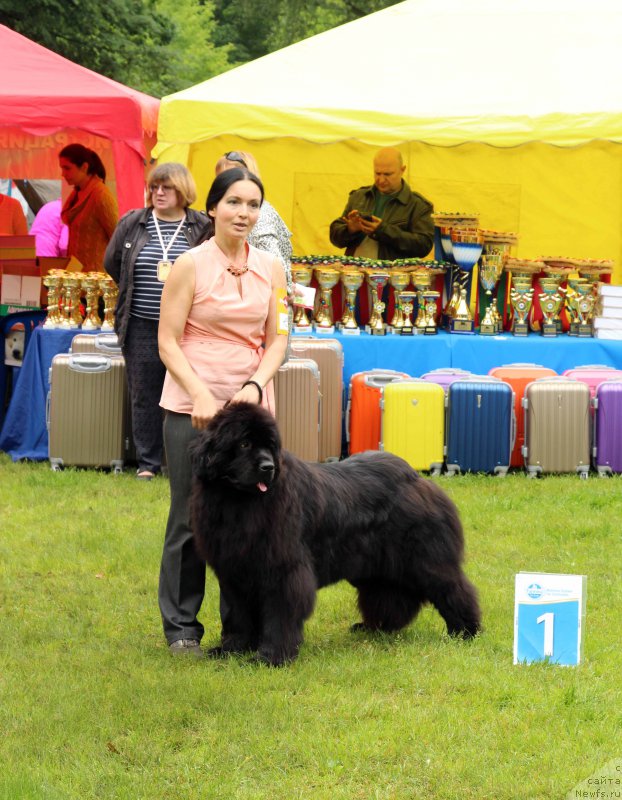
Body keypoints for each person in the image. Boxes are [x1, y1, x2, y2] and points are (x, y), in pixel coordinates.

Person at [157, 166, 288, 655]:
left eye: (253, 204)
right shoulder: (189, 264)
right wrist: (199, 393)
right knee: (190, 516)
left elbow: (279, 339)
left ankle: (242, 628)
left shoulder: (272, 268)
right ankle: (181, 627)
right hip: (192, 405)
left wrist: (255, 385)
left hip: (251, 406)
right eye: (234, 202)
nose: (243, 213)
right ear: (212, 208)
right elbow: (167, 340)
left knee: (254, 518)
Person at [104, 163, 208, 481]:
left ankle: (187, 460)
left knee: (188, 392)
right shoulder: (133, 222)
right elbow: (112, 262)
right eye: (154, 187)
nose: (158, 192)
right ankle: (148, 463)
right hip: (141, 325)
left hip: (188, 329)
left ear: (183, 190)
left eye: (167, 187)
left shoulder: (201, 226)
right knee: (144, 394)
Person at [329, 147, 434, 261]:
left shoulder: (419, 205)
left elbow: (424, 246)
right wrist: (350, 229)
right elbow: (335, 238)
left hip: (394, 272)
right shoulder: (359, 196)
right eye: (377, 173)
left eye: (388, 174)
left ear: (402, 170)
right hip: (354, 270)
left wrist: (383, 231)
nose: (381, 179)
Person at [215, 151, 292, 290]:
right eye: (220, 177)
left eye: (232, 176)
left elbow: (278, 269)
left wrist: (283, 293)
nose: (224, 182)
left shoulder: (261, 216)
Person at [59, 144, 118, 270]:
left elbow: (118, 237)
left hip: (96, 275)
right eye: (62, 168)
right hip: (77, 272)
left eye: (67, 168)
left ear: (84, 167)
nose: (63, 174)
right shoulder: (77, 193)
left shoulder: (101, 195)